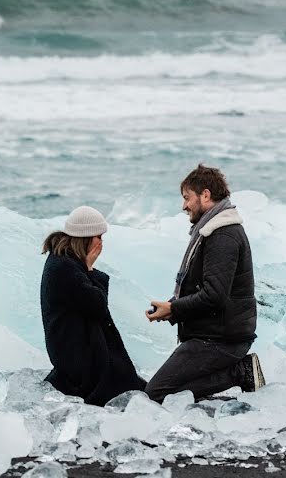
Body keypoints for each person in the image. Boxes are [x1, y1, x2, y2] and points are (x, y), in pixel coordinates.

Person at [145, 165, 264, 402]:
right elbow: (204, 289)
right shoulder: (211, 230)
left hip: (220, 339)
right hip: (213, 332)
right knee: (171, 390)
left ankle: (240, 372)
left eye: (187, 198)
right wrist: (172, 309)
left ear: (206, 195)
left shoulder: (223, 235)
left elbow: (214, 295)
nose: (184, 206)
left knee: (156, 395)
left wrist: (175, 309)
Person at [40, 205, 146, 405]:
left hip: (69, 347)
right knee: (127, 387)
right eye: (99, 237)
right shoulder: (65, 267)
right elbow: (97, 306)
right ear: (86, 237)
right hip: (75, 358)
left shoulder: (62, 260)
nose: (101, 243)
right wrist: (90, 269)